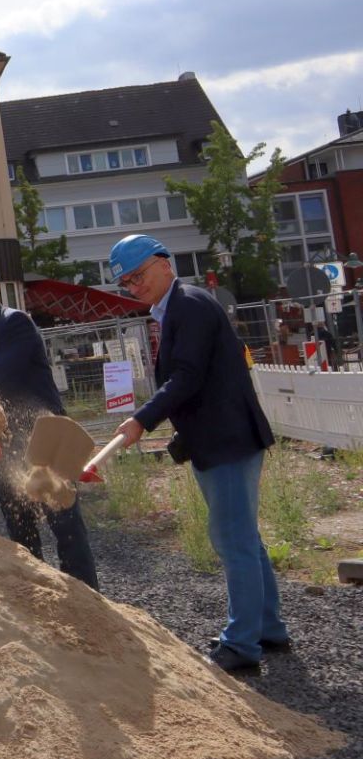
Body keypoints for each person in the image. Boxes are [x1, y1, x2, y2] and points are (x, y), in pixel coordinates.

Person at [108, 234, 287, 674]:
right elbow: (199, 380)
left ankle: (241, 644)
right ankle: (268, 629)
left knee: (233, 540)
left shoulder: (187, 305)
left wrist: (141, 420)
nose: (135, 286)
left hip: (226, 441)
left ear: (165, 263)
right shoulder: (180, 307)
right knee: (245, 538)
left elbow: (185, 376)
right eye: (127, 282)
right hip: (226, 437)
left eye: (139, 275)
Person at [0, 257, 99, 591]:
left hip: (43, 438)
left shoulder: (14, 323)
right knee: (19, 526)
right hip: (7, 444)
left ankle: (87, 598)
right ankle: (37, 594)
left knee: (64, 521)